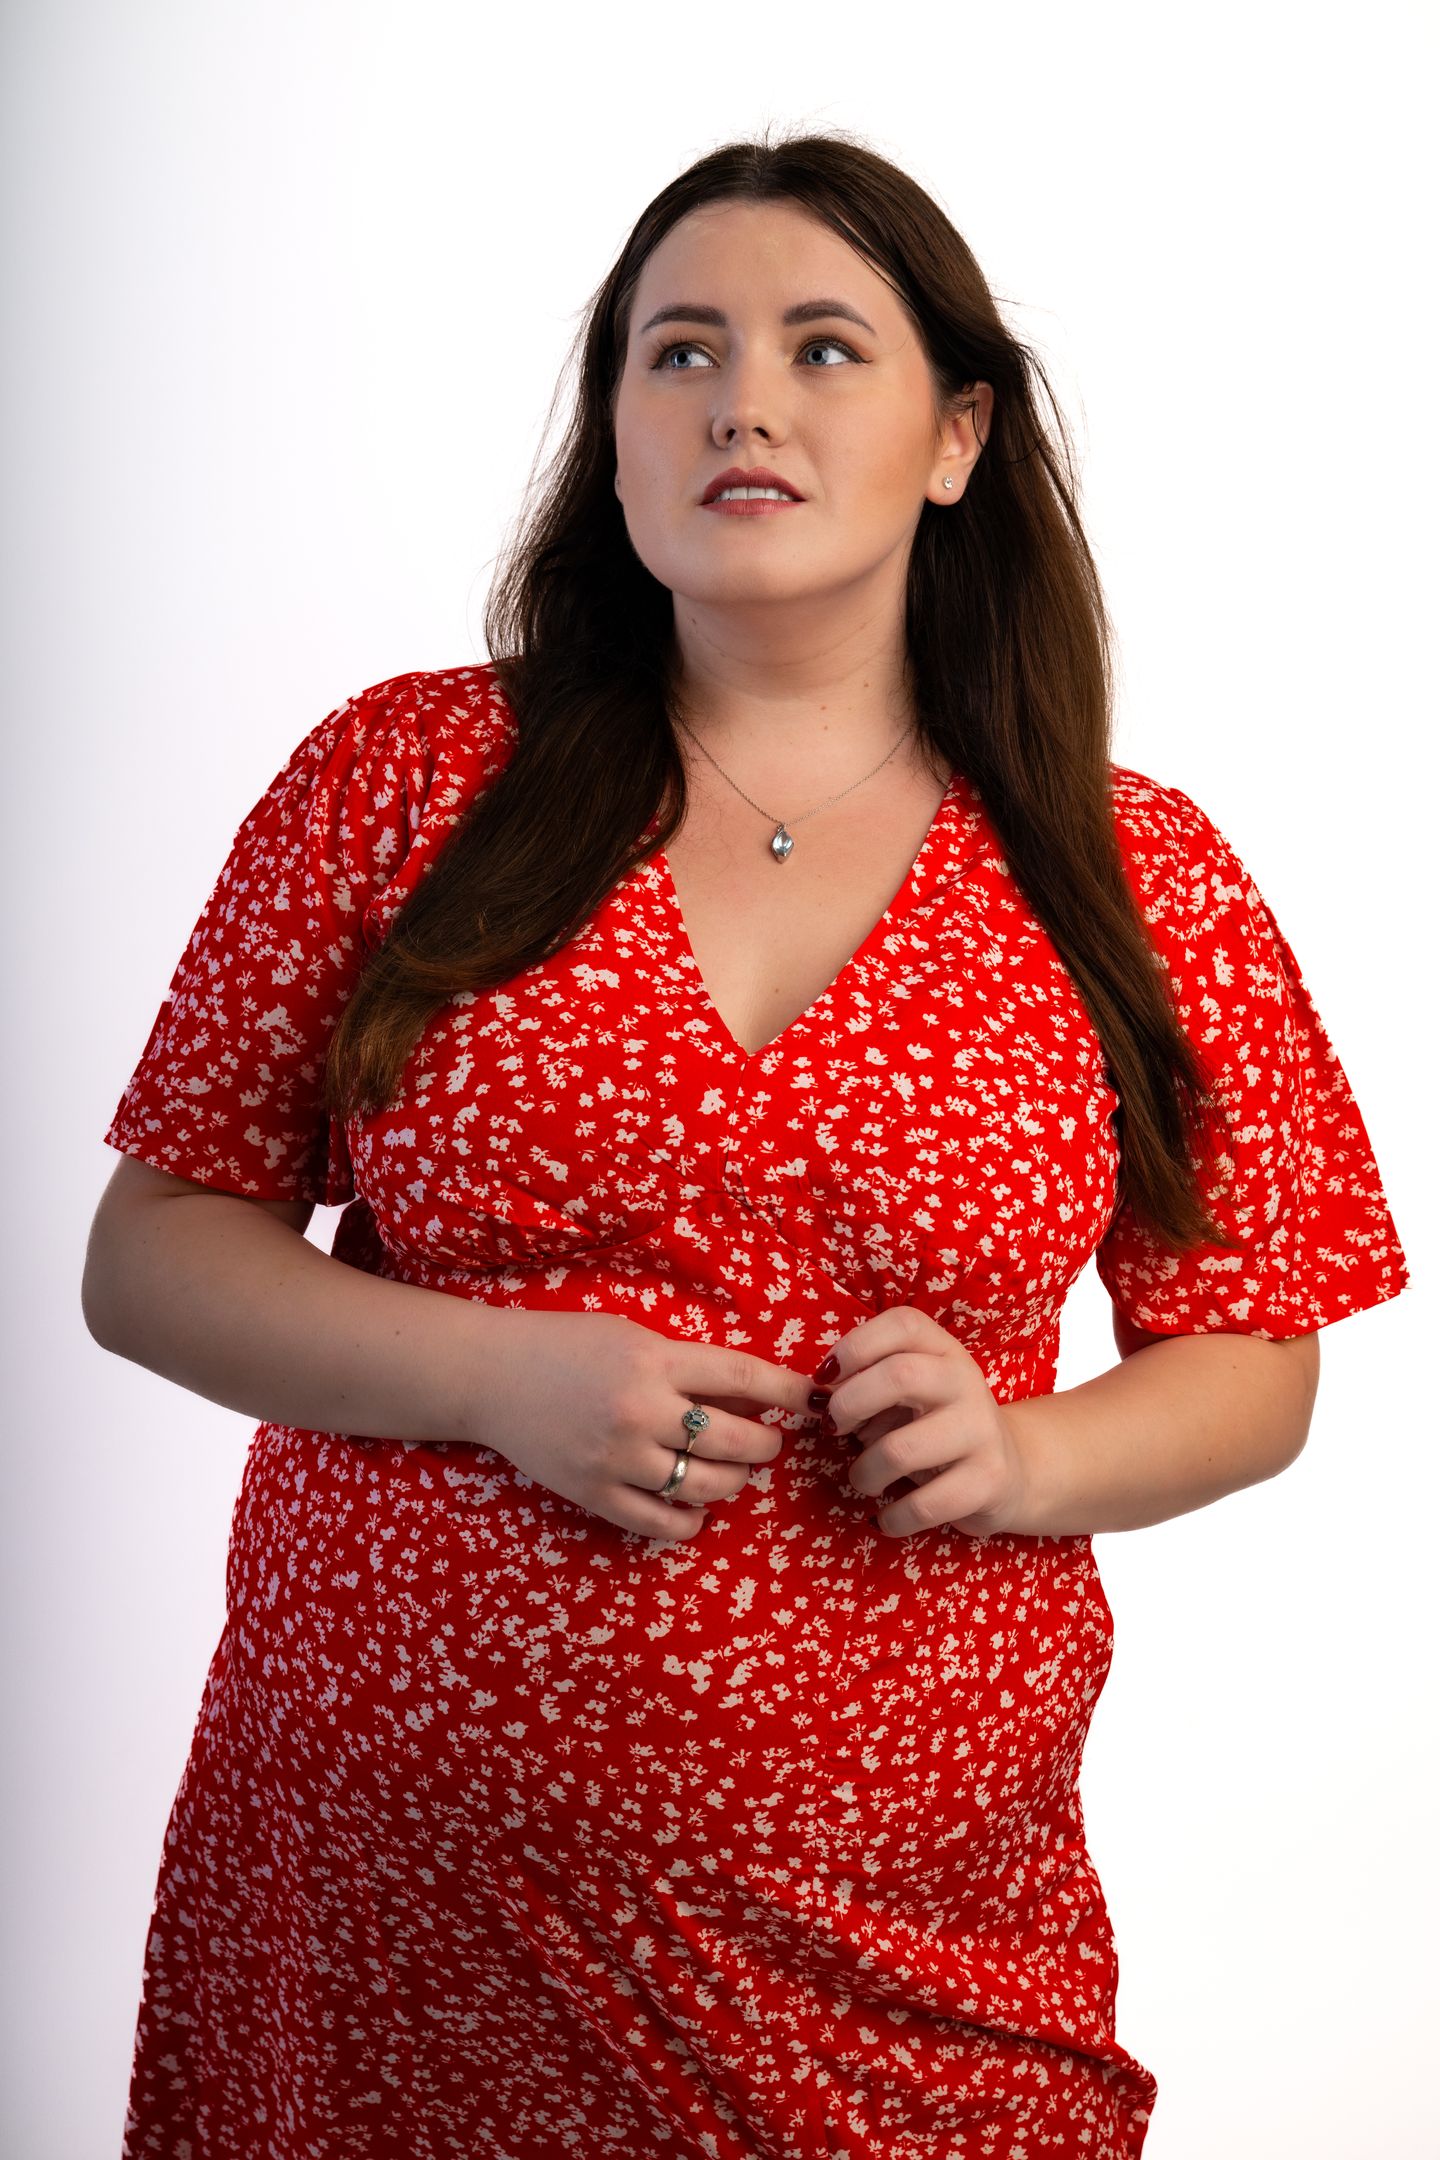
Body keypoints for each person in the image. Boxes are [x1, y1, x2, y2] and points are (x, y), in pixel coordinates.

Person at [84, 128, 1410, 2160]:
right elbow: (155, 1248)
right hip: (377, 1941)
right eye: (680, 352)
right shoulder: (406, 775)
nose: (743, 403)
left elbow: (1257, 1346)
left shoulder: (1134, 873)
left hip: (898, 1949)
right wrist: (498, 1375)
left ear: (958, 437)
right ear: (615, 437)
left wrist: (1030, 1455)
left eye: (824, 347)